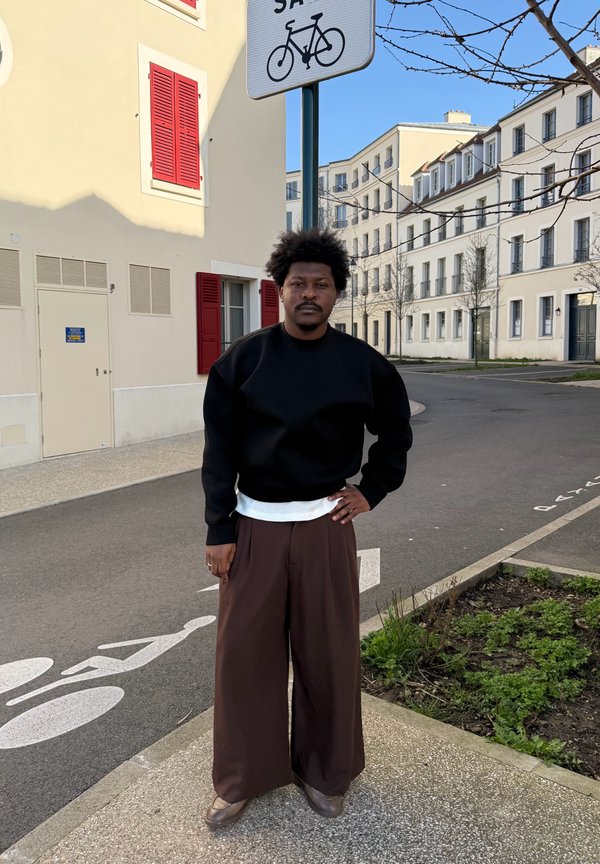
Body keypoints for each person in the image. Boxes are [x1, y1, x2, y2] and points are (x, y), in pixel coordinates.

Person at [201, 228, 412, 827]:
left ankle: (326, 771)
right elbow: (219, 452)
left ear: (337, 292)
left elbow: (396, 434)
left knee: (329, 654)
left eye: (321, 284)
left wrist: (371, 490)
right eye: (298, 284)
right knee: (243, 659)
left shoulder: (363, 365)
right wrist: (219, 527)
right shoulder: (242, 362)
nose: (309, 294)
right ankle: (242, 777)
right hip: (254, 528)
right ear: (280, 290)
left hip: (325, 526)